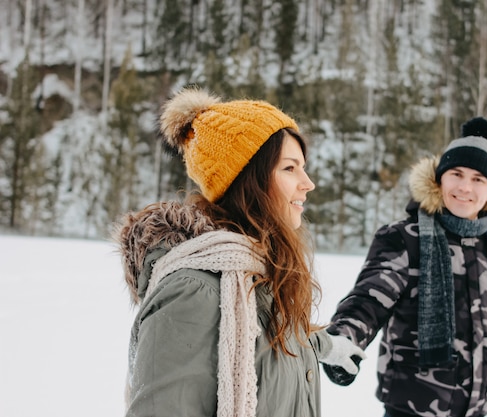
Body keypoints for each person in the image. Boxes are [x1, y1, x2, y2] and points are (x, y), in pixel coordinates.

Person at [113, 87, 365, 417]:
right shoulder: (195, 290)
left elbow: (276, 337)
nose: (308, 183)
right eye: (290, 168)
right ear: (249, 180)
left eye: (303, 167)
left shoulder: (260, 274)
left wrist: (329, 347)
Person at [323, 117, 487, 417]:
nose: (464, 186)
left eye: (478, 179)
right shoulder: (404, 237)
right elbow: (370, 299)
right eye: (456, 174)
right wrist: (344, 338)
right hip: (411, 407)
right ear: (439, 180)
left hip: (475, 410)